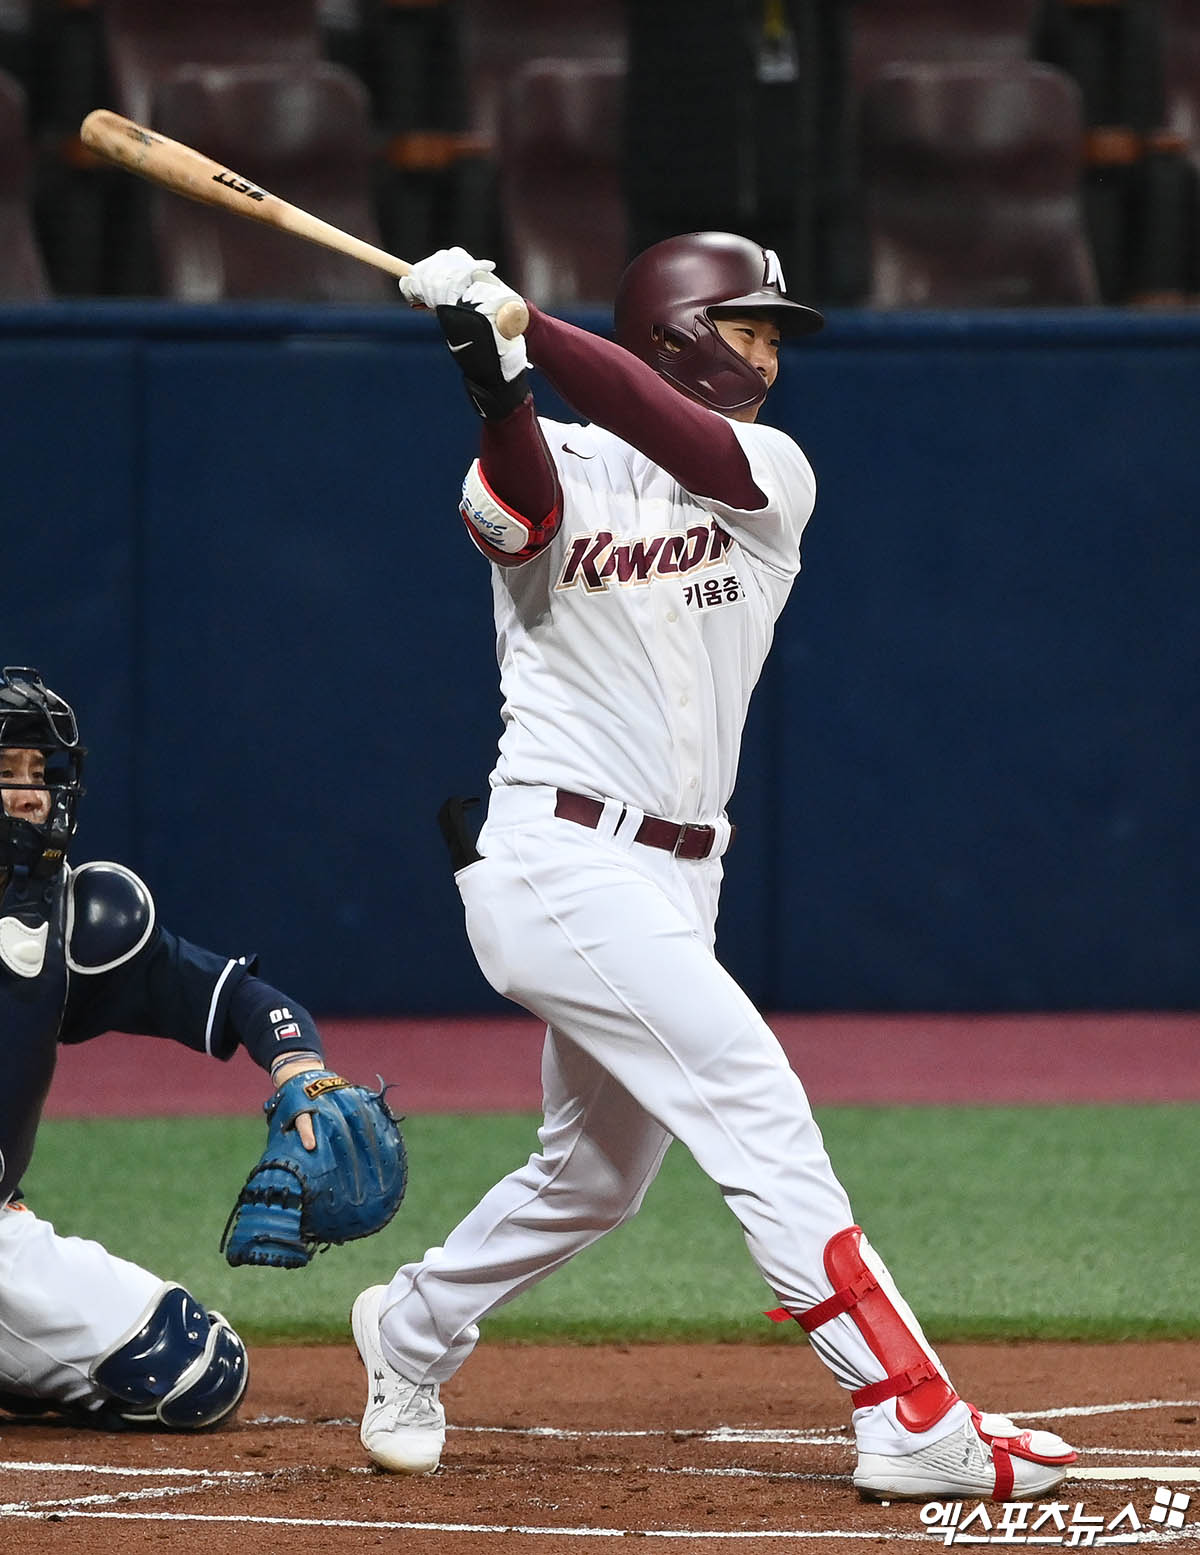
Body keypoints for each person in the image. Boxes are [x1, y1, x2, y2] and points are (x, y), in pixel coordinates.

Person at [349, 233, 1077, 1501]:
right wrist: (496, 379)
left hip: (682, 876)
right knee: (751, 1097)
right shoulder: (544, 455)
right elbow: (523, 506)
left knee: (595, 1178)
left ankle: (409, 1328)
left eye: (774, 332)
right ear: (678, 329)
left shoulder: (772, 471)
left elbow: (673, 432)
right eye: (748, 327)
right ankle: (907, 1412)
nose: (770, 355)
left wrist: (527, 327)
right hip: (555, 855)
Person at [0, 666, 336, 1430]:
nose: (31, 794)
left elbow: (242, 998)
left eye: (39, 773)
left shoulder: (75, 920)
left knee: (193, 1365)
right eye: (6, 771)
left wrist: (300, 1067)